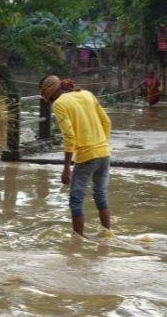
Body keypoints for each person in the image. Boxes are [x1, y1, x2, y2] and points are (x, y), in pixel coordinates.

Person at [39, 75, 113, 236]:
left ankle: (78, 242)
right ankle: (107, 234)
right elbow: (107, 122)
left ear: (50, 94)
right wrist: (101, 144)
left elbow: (69, 137)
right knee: (100, 195)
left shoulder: (59, 104)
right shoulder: (87, 94)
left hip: (86, 156)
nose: (49, 102)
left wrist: (66, 168)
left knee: (76, 200)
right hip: (104, 152)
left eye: (47, 99)